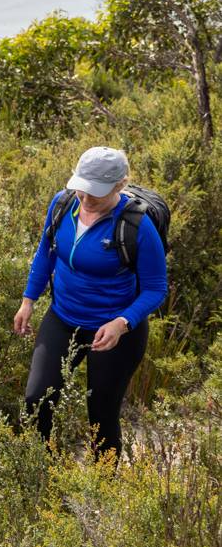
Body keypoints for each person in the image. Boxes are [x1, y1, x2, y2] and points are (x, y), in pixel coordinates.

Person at [14, 146, 167, 457]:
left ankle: (103, 493)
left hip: (115, 330)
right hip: (64, 317)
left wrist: (122, 323)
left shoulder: (137, 226)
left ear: (120, 185)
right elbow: (47, 251)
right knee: (36, 398)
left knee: (101, 414)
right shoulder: (62, 204)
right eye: (82, 189)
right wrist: (29, 299)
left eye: (95, 193)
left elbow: (155, 289)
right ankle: (45, 473)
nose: (86, 198)